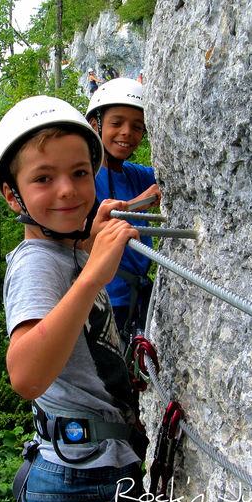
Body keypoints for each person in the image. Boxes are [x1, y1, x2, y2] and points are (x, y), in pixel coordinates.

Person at [0, 95, 147, 502]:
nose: (67, 189)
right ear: (13, 195)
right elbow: (25, 376)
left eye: (80, 173)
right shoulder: (34, 264)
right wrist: (95, 272)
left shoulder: (64, 251)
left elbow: (70, 261)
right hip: (80, 486)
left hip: (97, 469)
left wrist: (89, 240)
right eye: (43, 179)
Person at [86, 78, 161, 344]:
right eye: (116, 123)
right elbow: (86, 233)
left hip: (141, 293)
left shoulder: (136, 175)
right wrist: (136, 204)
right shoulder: (84, 179)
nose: (127, 132)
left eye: (137, 127)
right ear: (95, 125)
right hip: (107, 299)